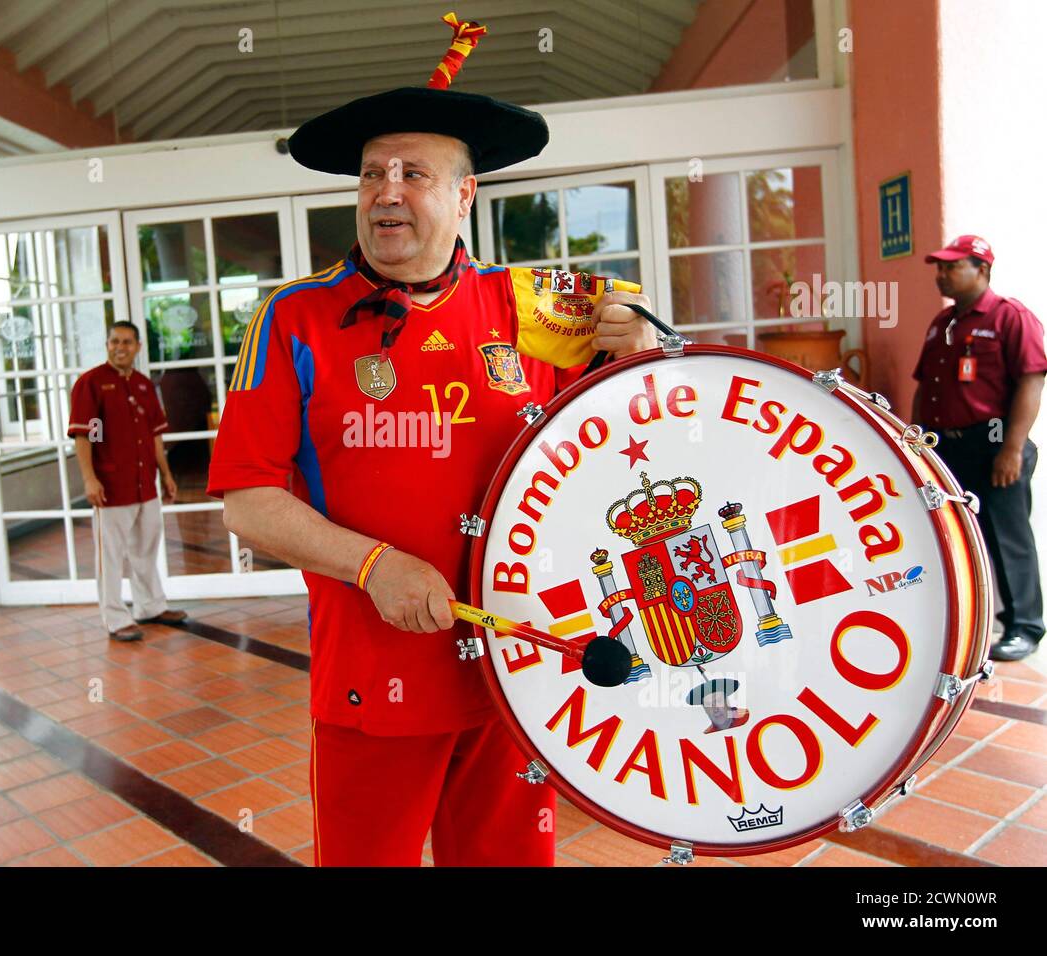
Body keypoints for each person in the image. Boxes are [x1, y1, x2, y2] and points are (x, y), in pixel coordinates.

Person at [207, 14, 656, 866]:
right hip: (372, 684)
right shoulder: (294, 318)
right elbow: (247, 502)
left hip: (517, 672)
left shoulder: (535, 307)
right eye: (374, 173)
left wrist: (633, 350)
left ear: (465, 195)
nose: (386, 192)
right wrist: (374, 566)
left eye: (415, 173)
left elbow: (616, 443)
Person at [913, 235, 1047, 662]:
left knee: (1009, 537)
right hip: (949, 447)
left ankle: (1025, 626)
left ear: (982, 270)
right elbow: (925, 386)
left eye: (952, 267)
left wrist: (1012, 449)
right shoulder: (944, 323)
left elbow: (1031, 382)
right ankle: (977, 621)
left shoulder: (1011, 318)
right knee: (959, 537)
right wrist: (917, 438)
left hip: (994, 442)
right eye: (940, 267)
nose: (942, 274)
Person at [68, 321, 187, 641]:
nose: (120, 347)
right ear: (107, 344)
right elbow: (84, 436)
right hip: (111, 486)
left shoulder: (145, 385)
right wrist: (89, 479)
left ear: (138, 347)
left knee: (146, 548)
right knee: (110, 556)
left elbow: (155, 436)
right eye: (114, 341)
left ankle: (149, 606)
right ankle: (116, 619)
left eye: (127, 342)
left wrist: (166, 473)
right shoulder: (91, 384)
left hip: (144, 484)